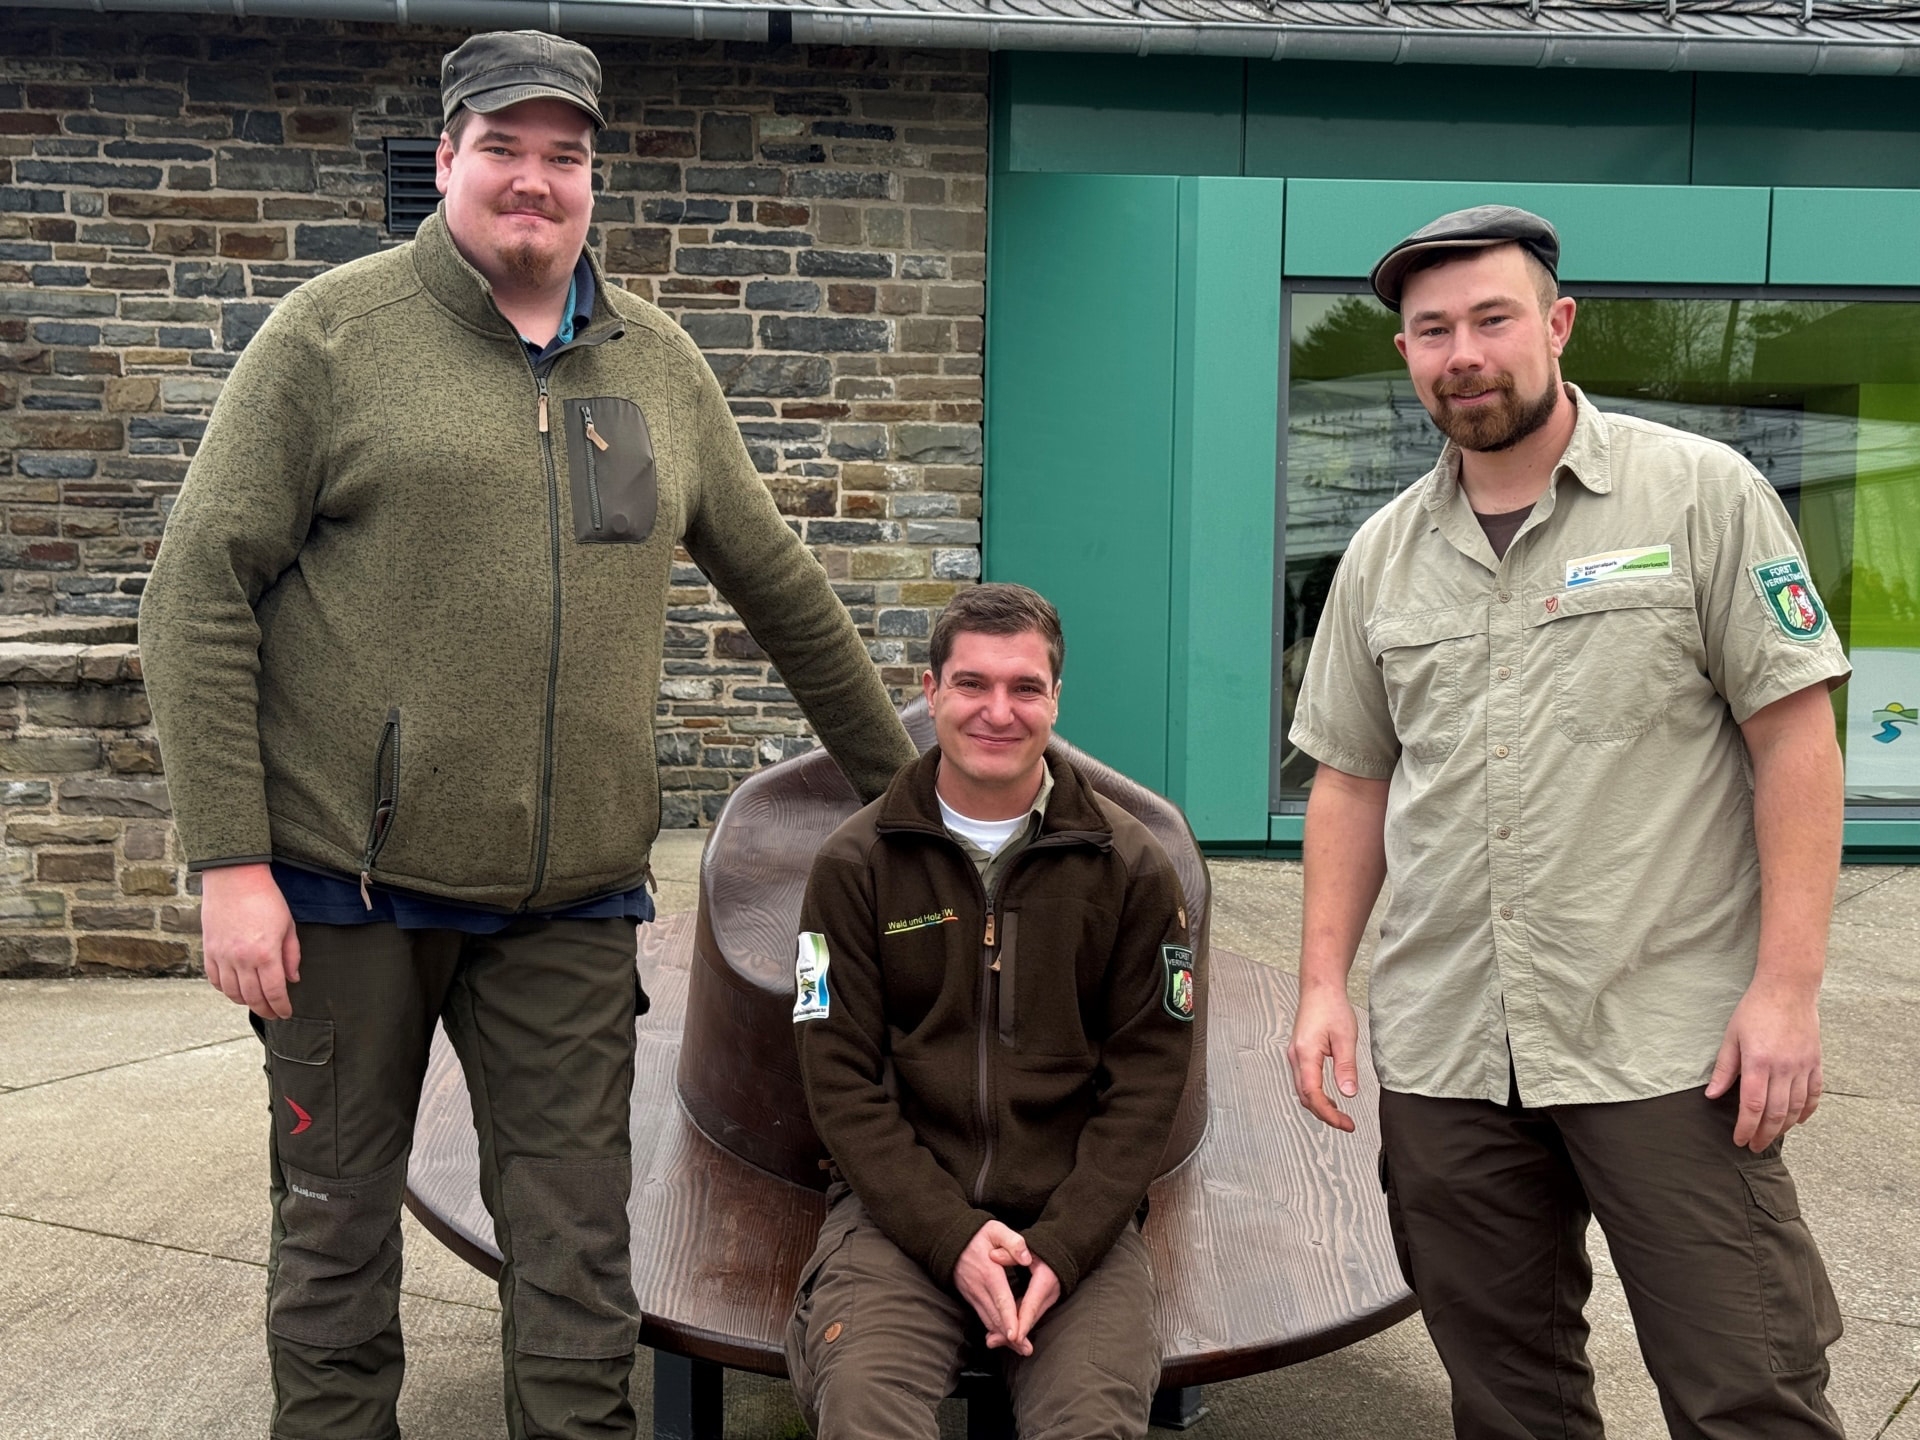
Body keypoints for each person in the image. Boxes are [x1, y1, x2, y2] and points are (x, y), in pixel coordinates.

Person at [138, 29, 916, 1440]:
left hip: (568, 907)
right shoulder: (330, 337)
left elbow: (786, 592)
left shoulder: (657, 364)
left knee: (578, 1262)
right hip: (343, 891)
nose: (533, 181)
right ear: (446, 159)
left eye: (564, 155)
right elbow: (195, 589)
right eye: (502, 147)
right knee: (334, 1240)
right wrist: (229, 862)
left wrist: (918, 805)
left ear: (593, 179)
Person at [1286, 205, 1851, 1439]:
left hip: (1665, 1043)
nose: (1464, 354)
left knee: (1747, 1388)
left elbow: (1796, 742)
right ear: (1406, 355)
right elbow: (1352, 780)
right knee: (1508, 1403)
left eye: (1492, 319)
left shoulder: (1699, 494)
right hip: (1446, 1048)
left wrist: (1788, 991)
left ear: (1558, 325)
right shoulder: (1381, 555)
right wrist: (1324, 983)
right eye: (1433, 331)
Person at [785, 583, 1196, 1440]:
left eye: (1024, 688)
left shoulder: (1130, 868)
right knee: (864, 1409)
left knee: (1092, 1423)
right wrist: (952, 1236)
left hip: (1075, 1222)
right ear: (931, 691)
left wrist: (1066, 1244)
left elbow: (1148, 1083)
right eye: (972, 684)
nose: (998, 712)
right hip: (899, 1219)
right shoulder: (855, 865)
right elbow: (840, 1083)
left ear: (1057, 699)